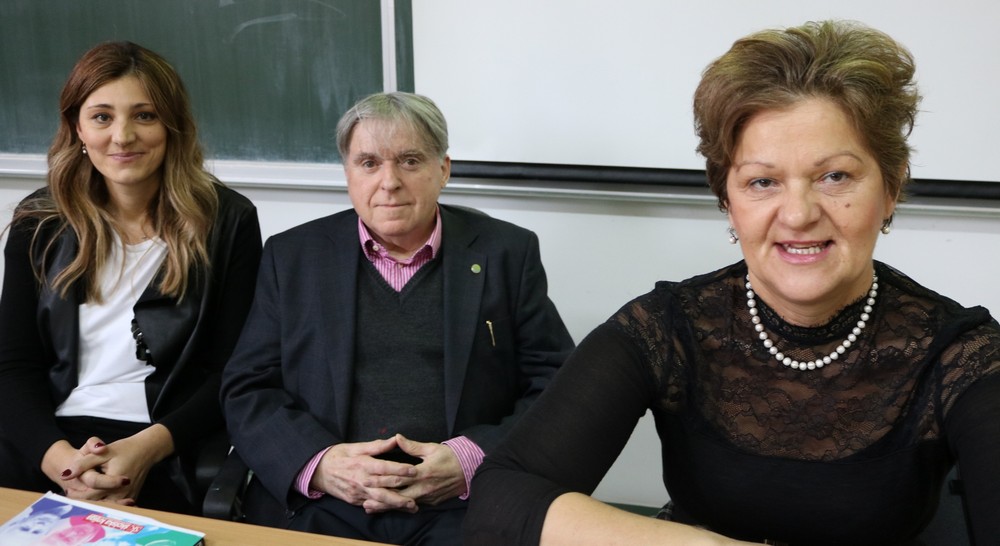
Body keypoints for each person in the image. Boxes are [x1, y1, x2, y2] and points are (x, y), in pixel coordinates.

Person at [464, 20, 1000, 546]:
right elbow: (502, 498)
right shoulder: (668, 326)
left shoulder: (963, 354)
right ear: (727, 200)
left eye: (834, 176)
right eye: (762, 182)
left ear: (891, 188)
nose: (798, 214)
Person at [219, 91, 573, 545]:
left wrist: (470, 458)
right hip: (325, 504)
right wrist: (319, 464)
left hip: (463, 504)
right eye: (368, 163)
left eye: (409, 161)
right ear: (347, 174)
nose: (389, 182)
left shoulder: (506, 253)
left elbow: (558, 386)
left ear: (443, 169)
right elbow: (247, 388)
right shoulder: (292, 258)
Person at [0, 41, 262, 514]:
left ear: (172, 125)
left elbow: (233, 372)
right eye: (102, 117)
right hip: (48, 438)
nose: (122, 136)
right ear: (77, 127)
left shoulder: (228, 221)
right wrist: (63, 464)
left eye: (144, 115)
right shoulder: (38, 221)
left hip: (162, 442)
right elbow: (13, 365)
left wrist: (143, 451)